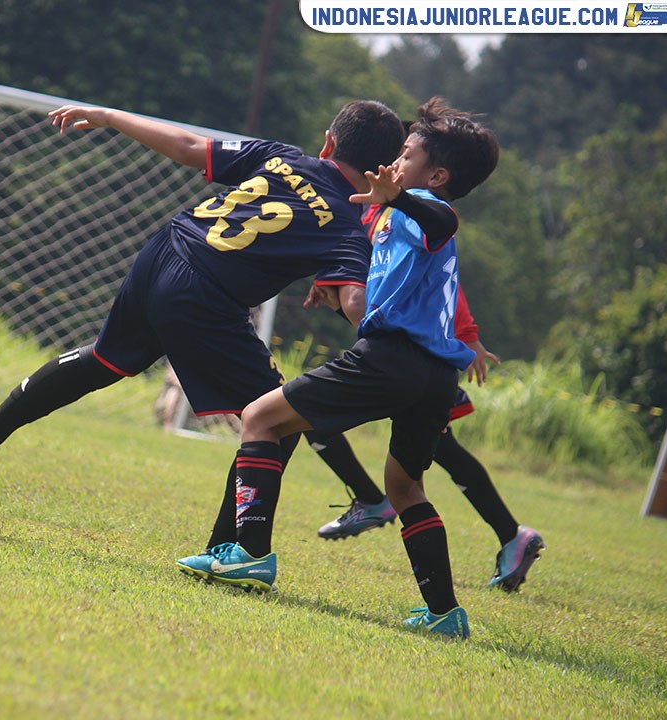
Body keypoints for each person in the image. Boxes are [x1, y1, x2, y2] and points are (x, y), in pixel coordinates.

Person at [0, 100, 406, 509]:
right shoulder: (348, 225)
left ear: (328, 143)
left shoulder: (283, 155)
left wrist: (109, 116)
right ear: (383, 171)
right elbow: (354, 302)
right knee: (277, 420)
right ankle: (230, 548)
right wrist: (400, 339)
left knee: (102, 360)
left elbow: (188, 146)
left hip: (167, 249)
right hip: (204, 291)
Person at [177, 98, 500, 639]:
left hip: (394, 360)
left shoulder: (422, 207)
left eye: (406, 153)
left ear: (436, 174)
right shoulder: (396, 213)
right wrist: (346, 291)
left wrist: (402, 198)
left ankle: (248, 553)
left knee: (259, 418)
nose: (394, 161)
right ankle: (446, 614)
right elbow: (389, 286)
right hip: (433, 377)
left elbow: (443, 219)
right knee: (405, 486)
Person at [313, 279, 545, 593]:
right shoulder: (372, 233)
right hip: (414, 359)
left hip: (401, 361)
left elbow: (443, 273)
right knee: (442, 449)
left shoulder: (382, 228)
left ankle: (370, 500)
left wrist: (469, 335)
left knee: (306, 412)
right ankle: (511, 535)